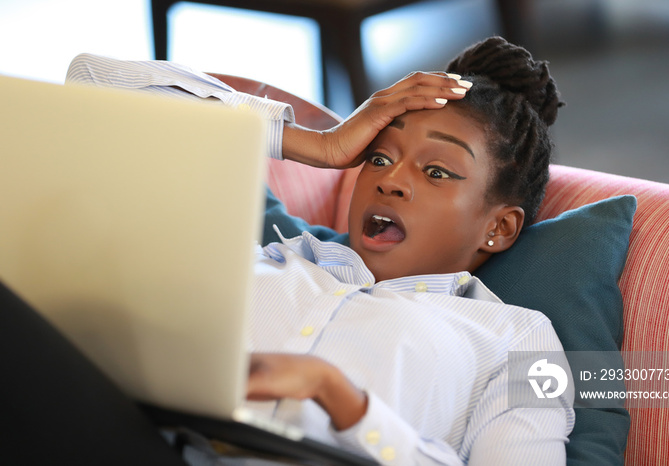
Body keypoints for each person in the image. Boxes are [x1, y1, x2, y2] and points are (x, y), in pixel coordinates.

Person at [3, 37, 573, 465]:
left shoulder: (518, 338)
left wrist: (343, 400)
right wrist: (314, 144)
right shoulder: (259, 259)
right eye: (379, 157)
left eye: (437, 171)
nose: (391, 180)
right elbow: (92, 82)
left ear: (498, 229)